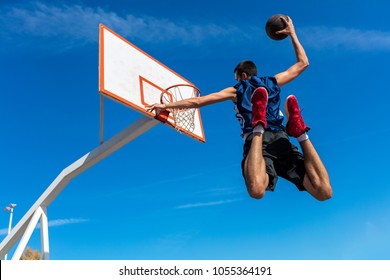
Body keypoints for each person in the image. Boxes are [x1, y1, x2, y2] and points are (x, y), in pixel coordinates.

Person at [146, 16, 332, 201]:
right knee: (324, 192)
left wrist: (166, 105)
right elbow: (303, 63)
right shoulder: (273, 81)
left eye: (237, 78)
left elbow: (198, 102)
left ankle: (257, 124)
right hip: (282, 137)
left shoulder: (237, 90)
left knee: (257, 190)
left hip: (258, 142)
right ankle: (300, 134)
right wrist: (292, 34)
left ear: (242, 75)